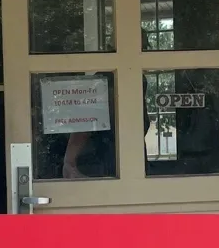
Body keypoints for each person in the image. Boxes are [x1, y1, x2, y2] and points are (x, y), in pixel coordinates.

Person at [61, 28, 153, 179]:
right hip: (108, 158)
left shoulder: (136, 79)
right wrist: (69, 160)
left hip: (125, 155)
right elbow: (86, 120)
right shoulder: (105, 80)